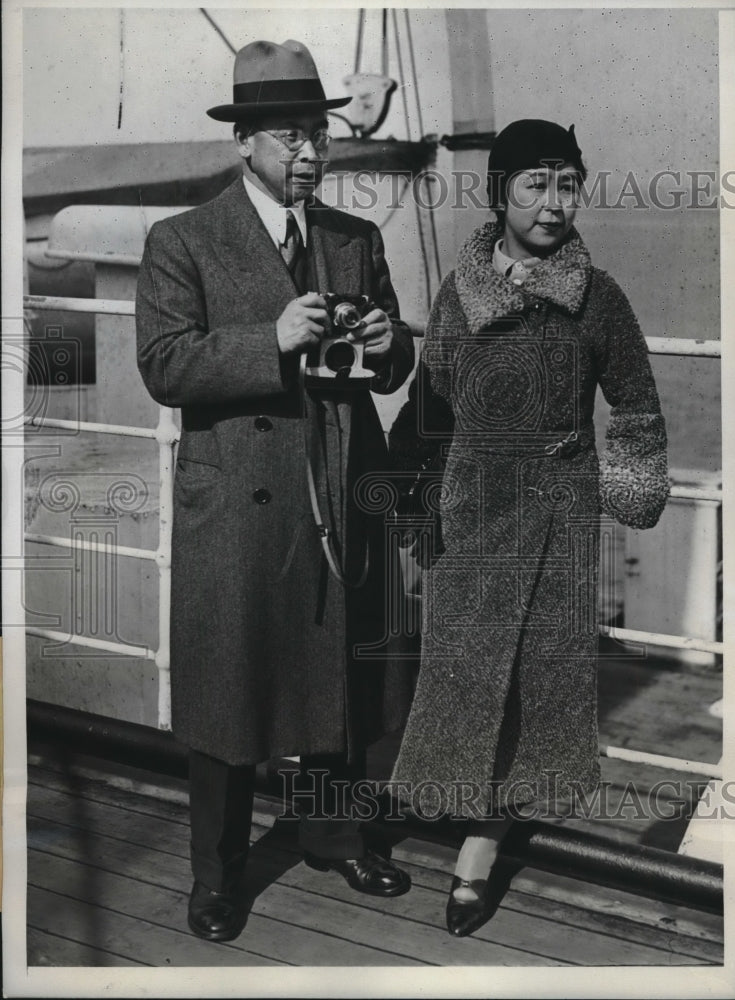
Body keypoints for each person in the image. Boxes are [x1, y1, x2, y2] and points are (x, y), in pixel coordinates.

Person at [136, 39, 416, 943]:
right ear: (246, 142)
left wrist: (385, 345)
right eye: (290, 138)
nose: (309, 154)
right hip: (239, 502)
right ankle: (215, 876)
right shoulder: (181, 239)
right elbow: (164, 365)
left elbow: (394, 362)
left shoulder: (353, 239)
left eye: (317, 137)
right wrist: (272, 338)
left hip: (337, 486)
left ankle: (335, 834)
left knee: (336, 675)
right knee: (229, 687)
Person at [389, 119, 669, 937]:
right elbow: (429, 406)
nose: (553, 204)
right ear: (498, 193)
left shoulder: (599, 297)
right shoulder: (458, 290)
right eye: (535, 185)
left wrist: (623, 490)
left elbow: (637, 403)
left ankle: (480, 849)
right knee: (464, 677)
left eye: (567, 184)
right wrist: (416, 514)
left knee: (539, 686)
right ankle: (466, 809)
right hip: (470, 509)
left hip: (556, 514)